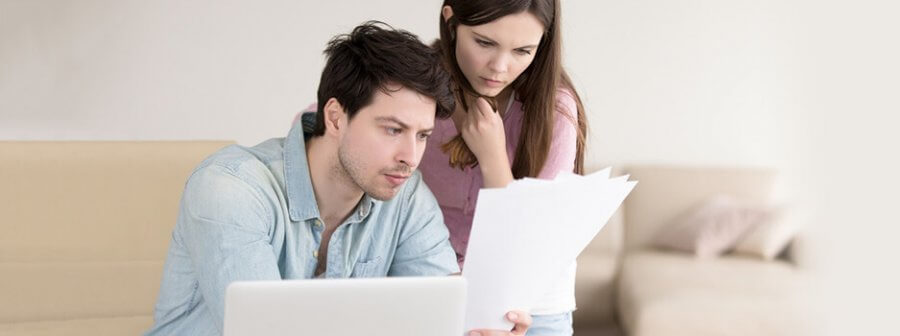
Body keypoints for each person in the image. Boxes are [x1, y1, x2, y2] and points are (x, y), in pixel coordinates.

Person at [145, 22, 530, 336]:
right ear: (334, 117)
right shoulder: (230, 190)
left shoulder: (406, 195)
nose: (410, 158)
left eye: (422, 135)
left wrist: (479, 329)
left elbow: (445, 315)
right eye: (392, 129)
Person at [420, 1, 589, 335]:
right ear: (451, 20)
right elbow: (326, 125)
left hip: (529, 304)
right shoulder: (415, 86)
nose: (499, 67)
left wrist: (494, 158)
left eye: (523, 50)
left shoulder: (555, 110)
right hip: (439, 292)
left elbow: (530, 247)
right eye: (484, 43)